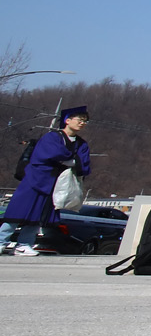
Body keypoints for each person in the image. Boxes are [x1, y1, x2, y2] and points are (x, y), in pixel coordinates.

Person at [1, 106, 91, 255]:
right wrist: (70, 159)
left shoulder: (81, 143)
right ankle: (1, 241)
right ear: (67, 120)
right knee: (17, 213)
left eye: (85, 121)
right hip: (36, 180)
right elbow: (52, 154)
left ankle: (24, 243)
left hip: (56, 184)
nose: (82, 123)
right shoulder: (52, 137)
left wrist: (69, 160)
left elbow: (83, 162)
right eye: (80, 120)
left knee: (38, 215)